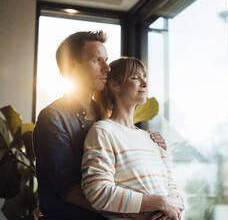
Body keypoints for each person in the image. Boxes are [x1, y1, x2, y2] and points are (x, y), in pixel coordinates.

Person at [33, 31, 166, 220]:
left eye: (106, 60)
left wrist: (152, 148)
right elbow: (67, 189)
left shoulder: (108, 119)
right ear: (72, 66)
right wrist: (134, 211)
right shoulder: (53, 118)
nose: (107, 68)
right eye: (97, 60)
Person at [81, 57, 184, 220]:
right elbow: (98, 192)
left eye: (145, 77)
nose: (144, 83)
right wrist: (160, 203)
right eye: (135, 78)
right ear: (115, 85)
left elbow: (173, 191)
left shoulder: (150, 139)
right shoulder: (103, 131)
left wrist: (171, 208)